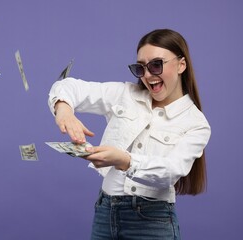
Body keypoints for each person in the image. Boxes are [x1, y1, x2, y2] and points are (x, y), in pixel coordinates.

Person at [48, 29, 211, 240]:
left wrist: (125, 160)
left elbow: (172, 170)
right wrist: (64, 111)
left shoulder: (196, 123)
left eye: (156, 64)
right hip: (106, 213)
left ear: (181, 64)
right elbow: (67, 86)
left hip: (153, 221)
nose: (148, 75)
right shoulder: (125, 94)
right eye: (140, 68)